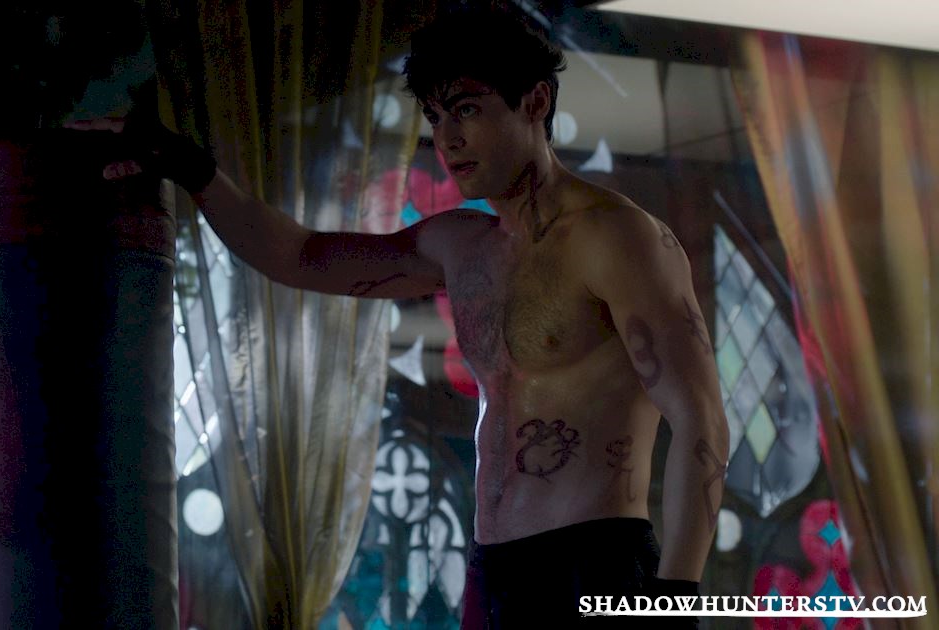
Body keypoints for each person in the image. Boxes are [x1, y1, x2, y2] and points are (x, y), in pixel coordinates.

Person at [69, 9, 728, 628]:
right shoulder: (462, 246)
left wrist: (672, 602)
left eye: (466, 109)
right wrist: (191, 168)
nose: (447, 138)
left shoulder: (617, 237)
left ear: (535, 102)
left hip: (597, 564)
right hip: (494, 570)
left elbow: (700, 417)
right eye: (435, 117)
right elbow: (297, 256)